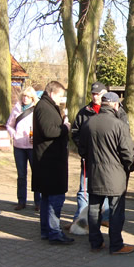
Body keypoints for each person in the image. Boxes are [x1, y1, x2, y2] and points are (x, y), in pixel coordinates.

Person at [78, 92, 134, 254]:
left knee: (94, 209)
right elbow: (127, 152)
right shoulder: (120, 125)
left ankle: (95, 243)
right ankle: (116, 244)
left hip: (95, 173)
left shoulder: (88, 123)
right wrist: (129, 166)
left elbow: (82, 149)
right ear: (115, 105)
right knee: (116, 211)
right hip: (116, 175)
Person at [71, 82, 121, 226]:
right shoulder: (84, 112)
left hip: (108, 160)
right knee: (83, 190)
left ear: (105, 94)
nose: (95, 96)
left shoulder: (115, 112)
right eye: (93, 93)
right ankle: (80, 219)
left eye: (98, 94)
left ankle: (105, 218)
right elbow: (75, 132)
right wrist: (84, 149)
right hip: (89, 159)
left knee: (105, 188)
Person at [32, 81, 74, 245]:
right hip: (50, 162)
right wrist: (65, 128)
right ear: (52, 93)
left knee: (47, 198)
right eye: (60, 95)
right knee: (54, 199)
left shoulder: (45, 106)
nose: (61, 98)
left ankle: (47, 231)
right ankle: (54, 233)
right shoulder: (44, 107)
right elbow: (50, 131)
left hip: (48, 162)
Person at [6, 86, 41, 211]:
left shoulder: (37, 109)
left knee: (37, 174)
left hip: (32, 146)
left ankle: (38, 201)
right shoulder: (16, 109)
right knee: (21, 175)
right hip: (19, 146)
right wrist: (14, 135)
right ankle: (21, 201)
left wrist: (37, 137)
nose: (25, 98)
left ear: (32, 98)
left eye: (28, 96)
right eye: (24, 96)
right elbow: (9, 125)